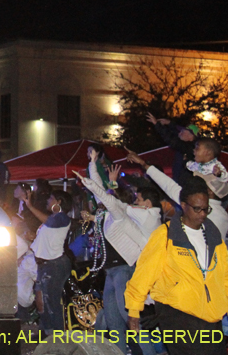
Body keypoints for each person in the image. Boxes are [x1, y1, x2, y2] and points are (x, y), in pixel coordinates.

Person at [126, 177, 228, 355]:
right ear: (183, 205)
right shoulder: (165, 235)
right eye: (197, 209)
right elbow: (144, 273)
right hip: (177, 314)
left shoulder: (214, 236)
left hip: (211, 315)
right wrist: (134, 309)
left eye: (206, 209)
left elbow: (227, 277)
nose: (202, 214)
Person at [75, 149, 161, 355]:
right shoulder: (108, 217)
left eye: (109, 194)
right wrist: (93, 163)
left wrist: (90, 179)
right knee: (115, 324)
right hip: (111, 273)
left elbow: (105, 195)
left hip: (125, 270)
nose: (104, 198)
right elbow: (101, 193)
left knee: (130, 320)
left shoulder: (121, 214)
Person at [126, 148, 228, 240]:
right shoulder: (213, 210)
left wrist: (143, 164)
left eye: (201, 182)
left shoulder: (212, 213)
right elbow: (169, 185)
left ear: (210, 191)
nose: (196, 183)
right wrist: (143, 163)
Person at [23, 188, 72, 334]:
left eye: (51, 198)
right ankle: (48, 335)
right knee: (41, 303)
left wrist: (30, 206)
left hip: (54, 264)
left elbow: (48, 221)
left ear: (59, 202)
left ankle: (57, 338)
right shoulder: (53, 219)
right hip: (45, 265)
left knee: (50, 302)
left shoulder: (62, 217)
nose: (48, 201)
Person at [146, 112, 198, 182]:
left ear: (191, 136)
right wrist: (169, 123)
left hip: (184, 183)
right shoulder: (186, 145)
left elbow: (171, 139)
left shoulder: (188, 148)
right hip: (179, 180)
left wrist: (157, 124)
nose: (180, 133)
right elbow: (175, 133)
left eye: (183, 132)